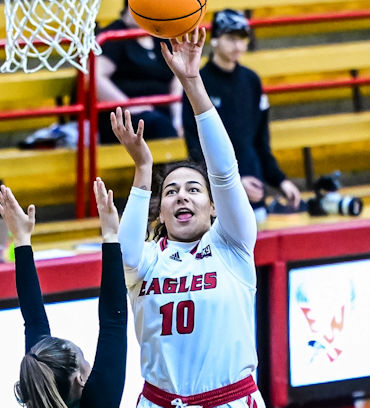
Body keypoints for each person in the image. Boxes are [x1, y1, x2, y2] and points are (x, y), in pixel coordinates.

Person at [112, 28, 266, 407]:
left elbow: (225, 171)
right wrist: (144, 169)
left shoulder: (232, 244)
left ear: (214, 206)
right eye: (172, 191)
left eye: (194, 189)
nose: (181, 194)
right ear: (161, 211)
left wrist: (193, 84)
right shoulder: (148, 258)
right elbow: (125, 253)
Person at [0, 178, 127, 408]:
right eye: (83, 360)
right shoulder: (97, 401)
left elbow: (36, 322)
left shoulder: (43, 381)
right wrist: (110, 235)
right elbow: (112, 320)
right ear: (81, 380)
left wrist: (22, 239)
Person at [182, 9, 300, 221]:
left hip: (254, 192)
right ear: (215, 40)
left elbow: (260, 142)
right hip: (215, 199)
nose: (238, 45)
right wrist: (232, 183)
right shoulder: (198, 83)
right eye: (231, 38)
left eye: (243, 39)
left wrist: (281, 181)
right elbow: (196, 148)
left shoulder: (252, 81)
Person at [95, 1, 183, 144]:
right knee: (159, 124)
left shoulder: (160, 35)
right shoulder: (113, 35)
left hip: (163, 112)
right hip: (126, 118)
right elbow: (95, 77)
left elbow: (176, 80)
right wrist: (128, 105)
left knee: (196, 119)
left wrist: (178, 118)